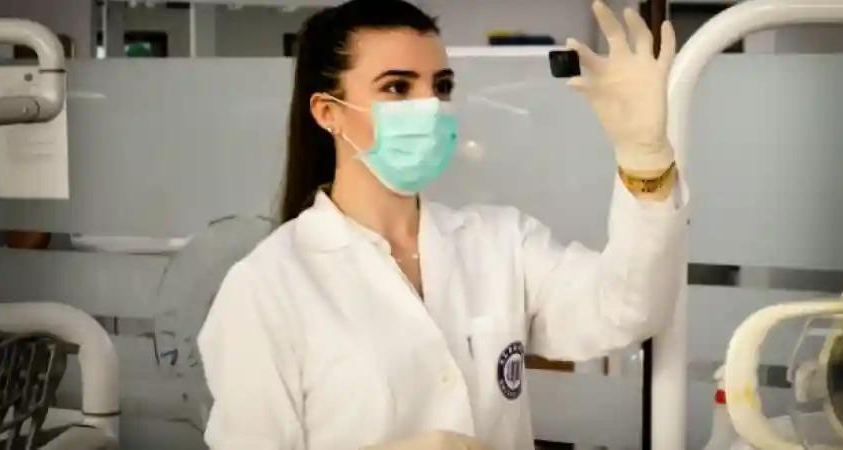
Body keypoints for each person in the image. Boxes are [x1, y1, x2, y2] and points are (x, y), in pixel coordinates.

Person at [198, 0, 688, 448]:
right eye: (397, 87)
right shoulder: (266, 288)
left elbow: (629, 308)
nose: (429, 106)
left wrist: (644, 160)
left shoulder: (501, 243)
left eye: (442, 85)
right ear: (329, 113)